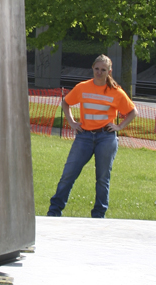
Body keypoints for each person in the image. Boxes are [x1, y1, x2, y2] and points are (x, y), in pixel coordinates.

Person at [47, 54, 138, 218]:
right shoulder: (82, 87)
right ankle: (54, 212)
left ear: (109, 71)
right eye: (97, 69)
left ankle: (99, 215)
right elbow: (66, 102)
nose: (99, 72)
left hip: (106, 138)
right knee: (68, 174)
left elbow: (132, 112)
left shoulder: (116, 92)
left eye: (103, 70)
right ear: (92, 68)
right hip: (84, 137)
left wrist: (119, 126)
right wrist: (73, 122)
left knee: (103, 178)